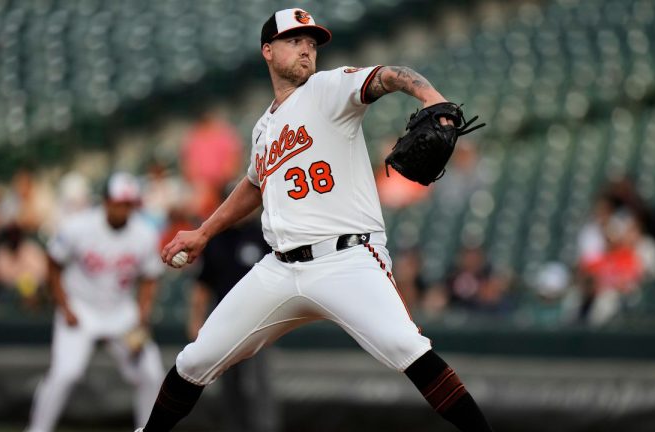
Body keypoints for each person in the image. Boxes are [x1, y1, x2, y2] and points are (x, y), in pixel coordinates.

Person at [139, 8, 493, 432]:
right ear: (268, 51)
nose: (307, 48)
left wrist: (429, 97)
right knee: (194, 360)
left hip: (347, 259)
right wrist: (203, 232)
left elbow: (389, 74)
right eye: (295, 40)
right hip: (280, 268)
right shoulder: (263, 128)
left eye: (311, 42)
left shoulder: (329, 87)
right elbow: (253, 184)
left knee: (406, 346)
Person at [26, 172, 165, 432]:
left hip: (122, 313)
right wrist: (65, 306)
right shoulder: (78, 227)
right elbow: (53, 264)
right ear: (106, 201)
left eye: (128, 204)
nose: (122, 209)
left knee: (151, 373)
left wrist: (142, 317)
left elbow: (150, 278)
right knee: (66, 374)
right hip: (81, 308)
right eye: (118, 202)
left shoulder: (144, 233)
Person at [188, 205, 279, 432]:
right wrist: (195, 320)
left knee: (258, 382)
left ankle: (265, 428)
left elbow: (280, 280)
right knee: (229, 383)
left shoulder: (262, 234)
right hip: (224, 321)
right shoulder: (216, 240)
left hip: (258, 320)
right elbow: (203, 283)